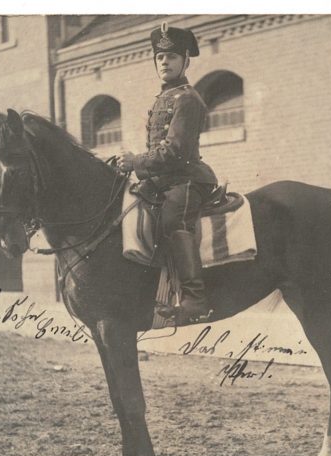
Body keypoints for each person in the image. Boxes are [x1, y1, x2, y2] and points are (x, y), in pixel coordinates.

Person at [117, 22, 218, 325]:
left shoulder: (188, 98)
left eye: (172, 57)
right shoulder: (164, 97)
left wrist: (135, 161)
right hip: (161, 179)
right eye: (160, 58)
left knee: (174, 219)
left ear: (186, 61)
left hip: (186, 180)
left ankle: (194, 299)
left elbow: (174, 152)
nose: (164, 62)